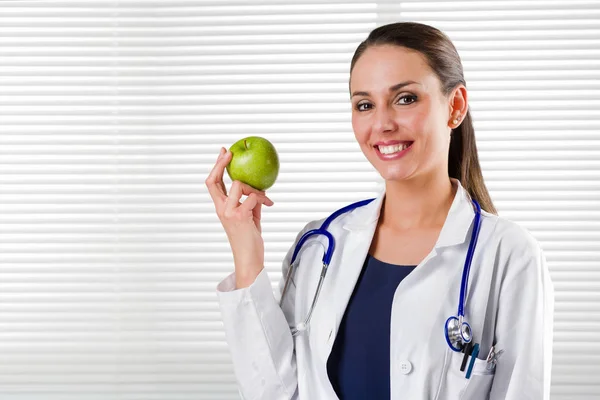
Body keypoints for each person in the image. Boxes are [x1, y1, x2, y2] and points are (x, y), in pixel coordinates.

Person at [205, 21, 554, 400]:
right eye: (365, 105)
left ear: (454, 107)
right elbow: (273, 393)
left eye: (405, 99)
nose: (382, 124)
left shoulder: (509, 256)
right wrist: (246, 250)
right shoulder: (319, 246)